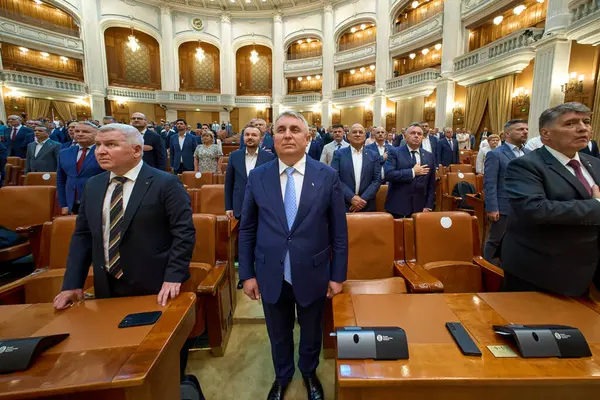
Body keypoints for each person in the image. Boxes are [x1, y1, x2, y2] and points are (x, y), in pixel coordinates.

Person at [53, 122, 196, 379]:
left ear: (136, 150)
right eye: (98, 145)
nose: (100, 151)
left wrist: (174, 276)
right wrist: (72, 283)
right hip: (107, 285)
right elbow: (83, 236)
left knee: (161, 363)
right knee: (115, 357)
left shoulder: (165, 183)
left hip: (156, 285)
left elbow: (183, 233)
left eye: (110, 144)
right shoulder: (94, 185)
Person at [238, 111, 348, 400]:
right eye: (281, 130)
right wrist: (246, 274)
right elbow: (247, 228)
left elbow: (339, 232)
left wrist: (337, 276)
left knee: (311, 331)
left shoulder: (327, 176)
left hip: (313, 271)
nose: (288, 134)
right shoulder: (258, 176)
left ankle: (309, 373)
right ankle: (282, 376)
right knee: (278, 332)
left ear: (308, 138)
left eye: (295, 130)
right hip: (270, 272)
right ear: (271, 138)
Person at [501, 102, 600, 295]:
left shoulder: (595, 163)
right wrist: (596, 206)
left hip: (590, 268)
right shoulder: (525, 165)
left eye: (586, 122)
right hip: (543, 270)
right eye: (570, 124)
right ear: (546, 134)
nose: (582, 128)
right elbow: (536, 209)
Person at [483, 120, 529, 265]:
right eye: (520, 129)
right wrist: (492, 207)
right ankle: (488, 272)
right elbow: (490, 183)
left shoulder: (528, 153)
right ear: (507, 134)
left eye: (526, 129)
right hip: (504, 206)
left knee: (520, 240)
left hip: (526, 206)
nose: (525, 132)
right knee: (496, 241)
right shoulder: (495, 154)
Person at [384, 123, 436, 218]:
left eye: (419, 134)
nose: (416, 136)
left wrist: (428, 206)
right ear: (405, 136)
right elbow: (388, 174)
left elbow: (431, 185)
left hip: (420, 208)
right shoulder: (395, 152)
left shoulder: (429, 156)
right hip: (398, 207)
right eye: (413, 133)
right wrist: (412, 172)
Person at [57, 122, 105, 215]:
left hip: (97, 202)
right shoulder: (64, 153)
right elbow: (61, 180)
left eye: (85, 131)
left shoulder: (103, 151)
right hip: (72, 203)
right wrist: (64, 204)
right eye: (77, 131)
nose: (80, 134)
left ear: (97, 134)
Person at [331, 123, 381, 212]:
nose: (357, 134)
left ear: (365, 136)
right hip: (344, 203)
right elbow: (335, 178)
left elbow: (377, 180)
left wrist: (362, 200)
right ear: (348, 136)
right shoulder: (338, 154)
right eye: (354, 132)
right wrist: (351, 198)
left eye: (360, 132)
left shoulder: (374, 155)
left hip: (367, 204)